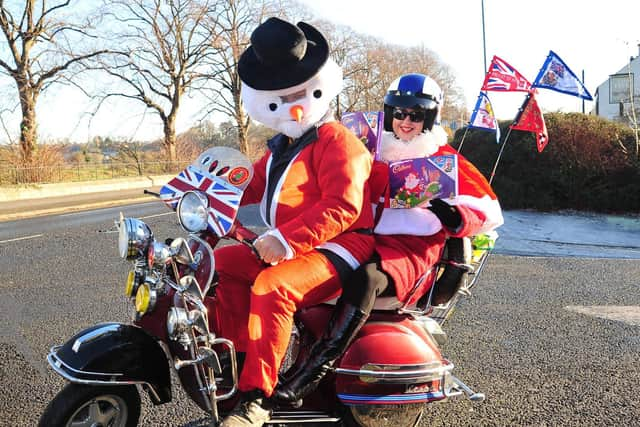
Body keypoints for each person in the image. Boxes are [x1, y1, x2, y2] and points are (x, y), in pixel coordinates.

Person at [274, 73, 504, 404]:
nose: (406, 121)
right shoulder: (369, 147)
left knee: (365, 278)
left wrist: (455, 216)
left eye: (416, 114)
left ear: (430, 116)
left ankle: (309, 374)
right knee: (300, 269)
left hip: (410, 253)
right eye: (399, 112)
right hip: (361, 238)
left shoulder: (443, 158)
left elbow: (489, 209)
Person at [213, 17, 375, 427]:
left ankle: (256, 399)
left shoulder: (338, 141)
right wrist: (203, 194)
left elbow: (344, 207)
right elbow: (246, 185)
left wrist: (285, 239)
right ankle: (237, 363)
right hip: (290, 240)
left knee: (273, 286)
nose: (290, 107)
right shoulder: (282, 146)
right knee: (223, 265)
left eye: (297, 94)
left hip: (340, 244)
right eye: (278, 100)